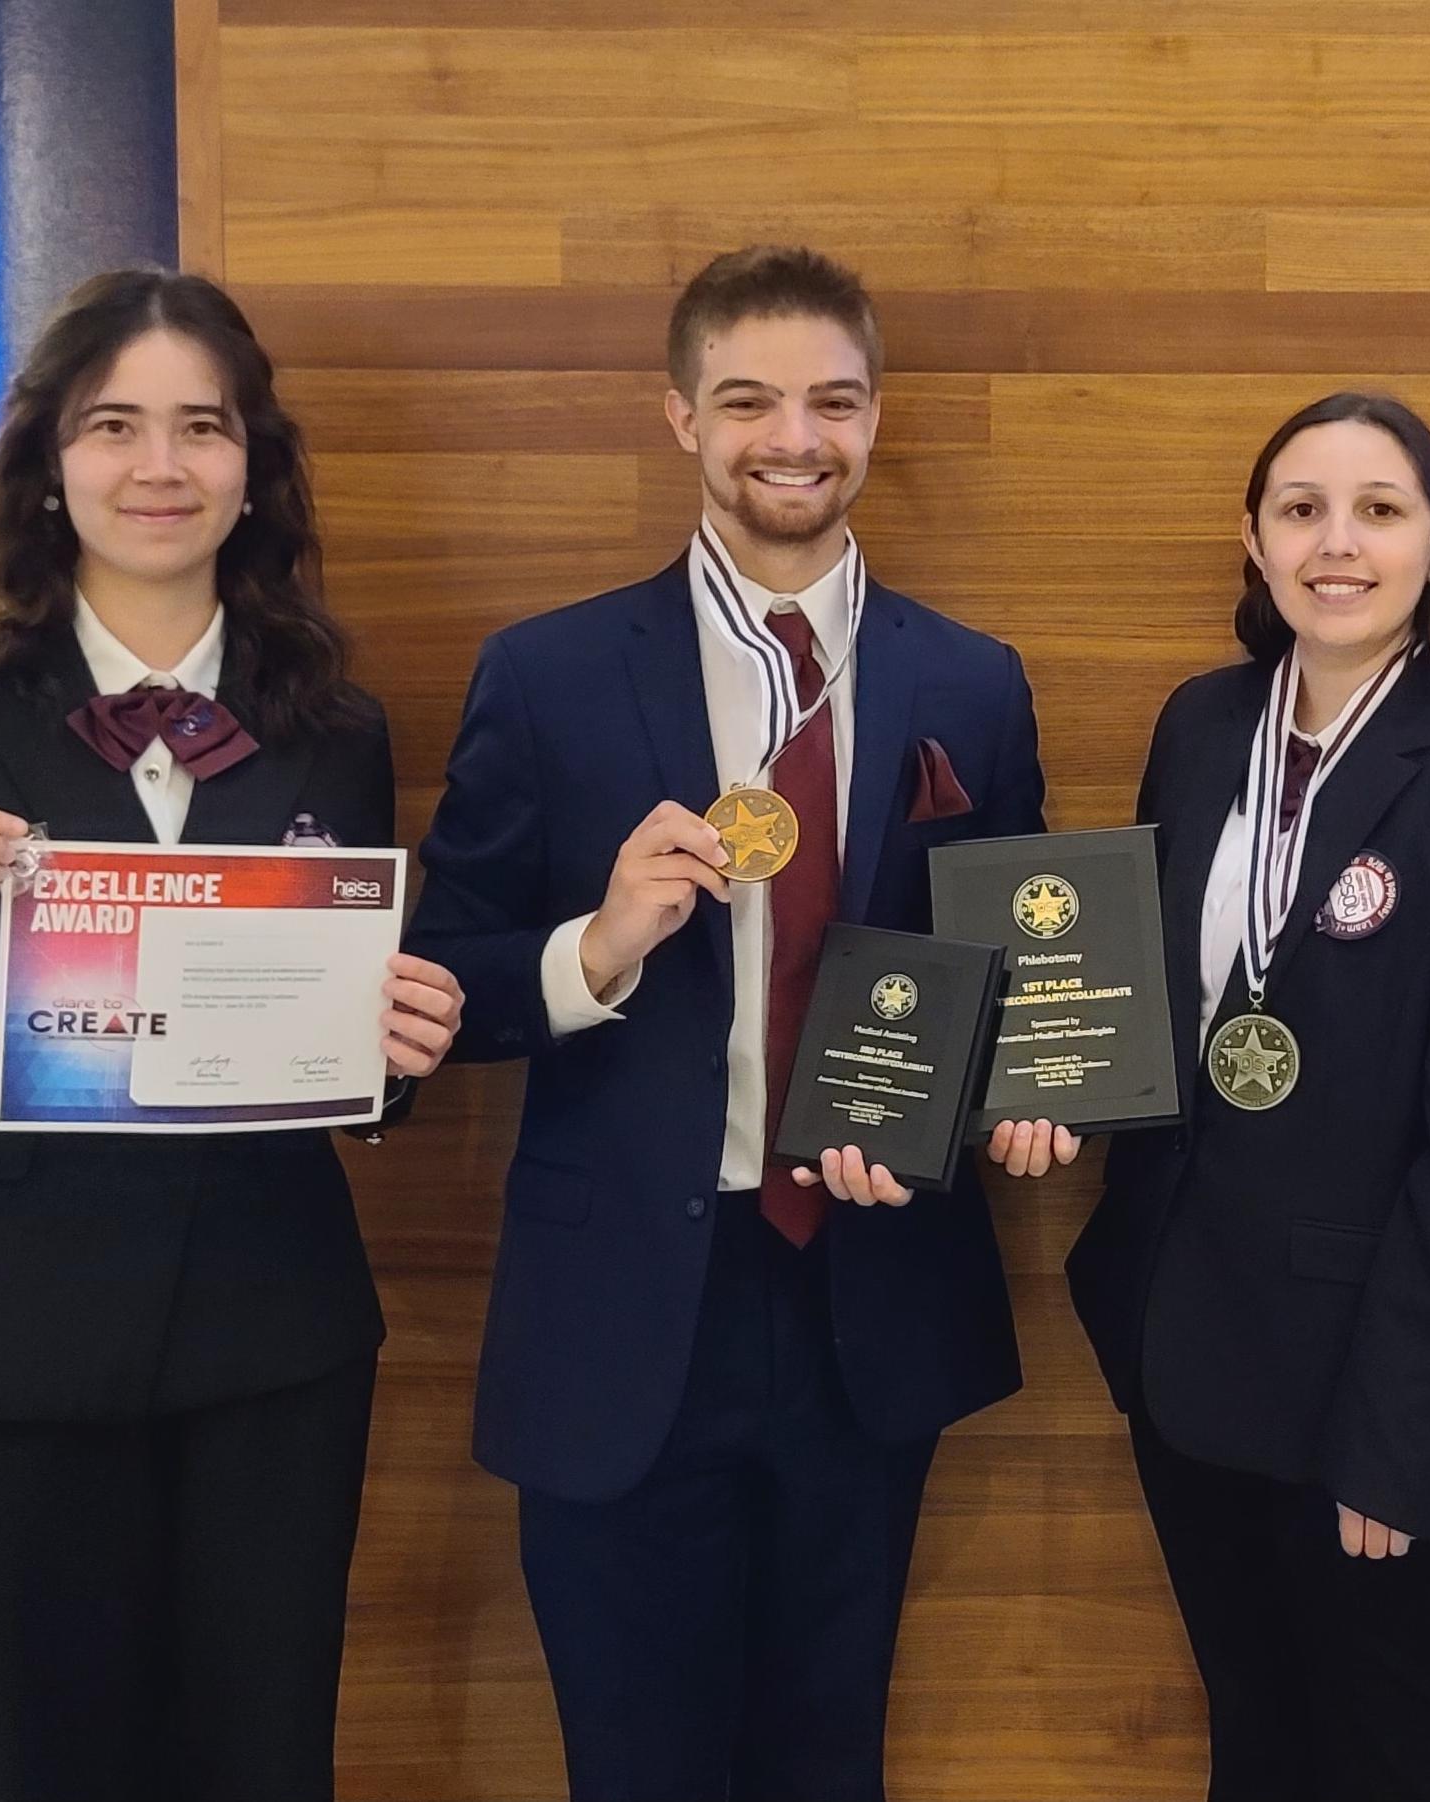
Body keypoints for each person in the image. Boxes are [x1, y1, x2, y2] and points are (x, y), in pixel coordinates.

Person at [405, 245, 1046, 1802]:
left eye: (831, 400)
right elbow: (433, 991)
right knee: (635, 1766)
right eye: (748, 398)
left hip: (865, 1294)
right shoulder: (548, 673)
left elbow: (1012, 981)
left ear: (876, 418)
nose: (793, 436)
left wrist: (987, 1108)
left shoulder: (970, 679)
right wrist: (598, 944)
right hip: (625, 1313)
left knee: (830, 1760)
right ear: (679, 415)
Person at [0, 269, 464, 1802]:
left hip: (270, 1336)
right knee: (33, 1760)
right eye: (113, 426)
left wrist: (393, 1049)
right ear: (46, 462)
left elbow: (331, 1057)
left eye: (200, 428)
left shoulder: (334, 722)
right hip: (0, 1340)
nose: (159, 466)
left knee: (264, 1753)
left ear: (252, 468)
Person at [1062, 392, 1430, 1801]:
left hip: (1376, 1379)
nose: (1335, 542)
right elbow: (1152, 1011)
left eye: (1378, 509)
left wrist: (1397, 1438)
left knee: (1397, 1758)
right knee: (1257, 1743)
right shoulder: (1199, 725)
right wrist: (1052, 1086)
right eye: (1300, 508)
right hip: (1188, 1346)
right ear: (1252, 539)